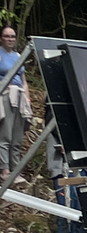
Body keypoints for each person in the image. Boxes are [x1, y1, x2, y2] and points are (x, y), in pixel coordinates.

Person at [0, 25, 28, 185]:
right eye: (7, 36)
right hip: (5, 94)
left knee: (17, 136)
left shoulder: (18, 55)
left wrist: (27, 98)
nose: (10, 39)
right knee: (5, 134)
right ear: (1, 38)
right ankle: (4, 170)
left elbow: (24, 81)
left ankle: (16, 169)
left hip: (19, 96)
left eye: (12, 36)